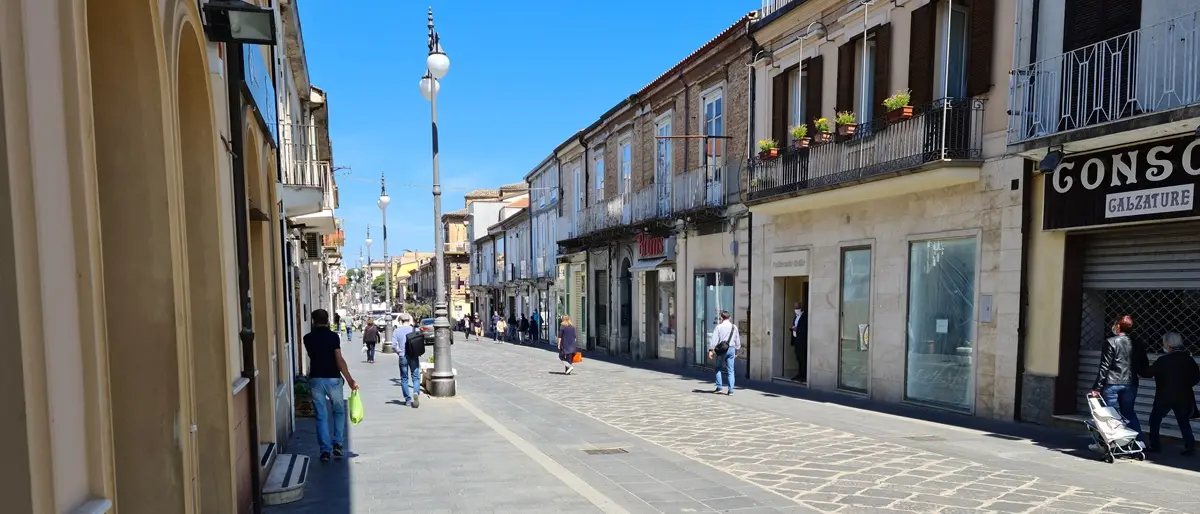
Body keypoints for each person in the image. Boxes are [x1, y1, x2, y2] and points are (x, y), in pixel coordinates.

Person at [302, 309, 358, 462]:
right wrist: (350, 380)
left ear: (313, 321)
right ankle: (338, 444)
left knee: (321, 416)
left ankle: (325, 450)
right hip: (333, 378)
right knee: (339, 412)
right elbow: (339, 360)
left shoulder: (307, 338)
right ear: (327, 320)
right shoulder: (333, 337)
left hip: (316, 379)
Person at [1092, 315, 1148, 444]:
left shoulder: (1110, 342)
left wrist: (1097, 387)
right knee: (1129, 412)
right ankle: (1139, 442)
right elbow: (1142, 364)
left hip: (1112, 383)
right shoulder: (1137, 343)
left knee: (1107, 415)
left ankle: (1105, 443)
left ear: (1117, 326)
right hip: (1130, 383)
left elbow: (1105, 366)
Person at [1142, 332, 1200, 455]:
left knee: (1155, 420)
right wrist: (1185, 385)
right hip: (1184, 396)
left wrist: (1139, 363)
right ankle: (1190, 447)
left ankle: (1155, 445)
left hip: (1164, 396)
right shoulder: (1188, 359)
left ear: (1168, 345)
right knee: (1184, 422)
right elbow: (1196, 378)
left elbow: (1147, 373)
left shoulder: (1163, 360)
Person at [708, 311, 741, 396]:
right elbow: (737, 340)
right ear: (729, 318)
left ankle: (719, 387)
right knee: (731, 370)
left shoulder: (719, 327)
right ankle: (730, 390)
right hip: (731, 349)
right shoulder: (734, 327)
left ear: (721, 318)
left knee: (718, 368)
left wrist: (711, 350)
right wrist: (737, 350)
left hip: (722, 350)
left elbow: (714, 339)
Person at [393, 319, 422, 407]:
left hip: (403, 356)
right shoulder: (415, 330)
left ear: (400, 321)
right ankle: (416, 392)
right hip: (413, 355)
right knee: (416, 376)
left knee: (404, 378)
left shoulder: (397, 331)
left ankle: (408, 400)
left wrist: (399, 352)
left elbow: (393, 345)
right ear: (409, 320)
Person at [790, 302, 808, 383]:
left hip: (802, 341)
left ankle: (804, 375)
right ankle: (799, 374)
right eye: (795, 308)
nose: (796, 310)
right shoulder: (796, 317)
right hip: (796, 340)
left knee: (803, 359)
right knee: (798, 358)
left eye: (797, 308)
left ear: (801, 308)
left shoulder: (805, 317)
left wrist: (797, 330)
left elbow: (805, 329)